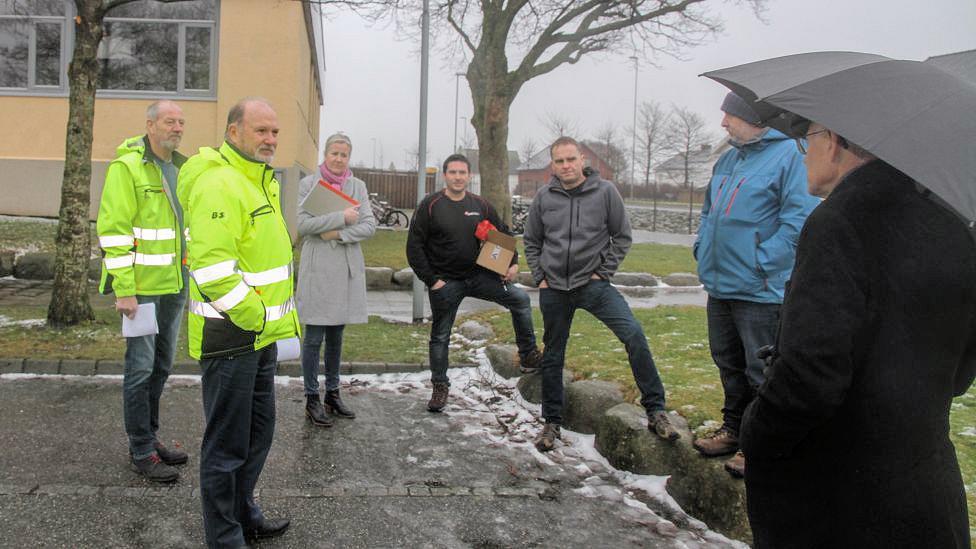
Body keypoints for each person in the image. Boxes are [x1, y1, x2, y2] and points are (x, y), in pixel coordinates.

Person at [740, 121, 976, 548]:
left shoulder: (837, 222)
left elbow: (810, 373)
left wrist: (756, 432)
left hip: (837, 497)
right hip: (926, 489)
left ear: (833, 141)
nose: (802, 154)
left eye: (806, 140)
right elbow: (960, 371)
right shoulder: (954, 226)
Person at [177, 98, 298, 547]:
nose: (270, 140)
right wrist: (256, 316)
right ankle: (224, 535)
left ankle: (245, 511)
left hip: (259, 335)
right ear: (234, 133)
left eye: (275, 132)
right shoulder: (219, 184)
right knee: (226, 445)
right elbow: (211, 269)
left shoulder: (258, 181)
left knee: (257, 434)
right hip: (231, 335)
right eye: (261, 131)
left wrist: (268, 323)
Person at [691, 92, 820, 477]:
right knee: (728, 364)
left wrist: (761, 263)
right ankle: (733, 429)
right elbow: (708, 211)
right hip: (720, 284)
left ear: (754, 117)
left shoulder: (791, 156)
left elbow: (799, 222)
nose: (723, 123)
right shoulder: (729, 158)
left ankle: (758, 445)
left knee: (760, 371)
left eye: (729, 115)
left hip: (760, 290)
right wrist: (701, 246)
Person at [523, 136, 679, 452]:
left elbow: (622, 236)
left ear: (582, 160)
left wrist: (602, 273)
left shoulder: (605, 192)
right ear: (552, 165)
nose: (566, 166)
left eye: (571, 159)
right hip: (554, 288)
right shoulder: (544, 196)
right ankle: (552, 422)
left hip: (592, 286)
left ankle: (656, 410)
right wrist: (540, 275)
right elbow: (531, 240)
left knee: (633, 334)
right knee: (553, 353)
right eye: (559, 161)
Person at [96, 100, 189, 483]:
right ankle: (140, 449)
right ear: (150, 125)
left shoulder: (182, 169)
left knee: (163, 366)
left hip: (174, 287)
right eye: (170, 121)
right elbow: (114, 232)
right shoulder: (127, 167)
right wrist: (125, 290)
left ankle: (150, 438)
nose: (178, 127)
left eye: (182, 122)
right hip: (142, 292)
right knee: (140, 369)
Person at [406, 153, 543, 412]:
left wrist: (512, 262)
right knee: (440, 336)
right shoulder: (430, 205)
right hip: (445, 283)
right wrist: (432, 281)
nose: (458, 177)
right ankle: (440, 386)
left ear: (469, 176)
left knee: (520, 299)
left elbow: (503, 232)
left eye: (462, 172)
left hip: (479, 277)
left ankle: (527, 355)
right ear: (445, 175)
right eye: (453, 172)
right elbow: (414, 248)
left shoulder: (480, 204)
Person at [296, 133, 376, 426]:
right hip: (318, 268)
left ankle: (332, 392)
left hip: (343, 267)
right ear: (325, 154)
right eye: (334, 153)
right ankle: (311, 397)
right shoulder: (309, 184)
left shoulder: (358, 186)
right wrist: (341, 218)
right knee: (314, 337)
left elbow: (368, 225)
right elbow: (303, 224)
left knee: (336, 337)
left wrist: (339, 234)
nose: (339, 159)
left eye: (344, 154)